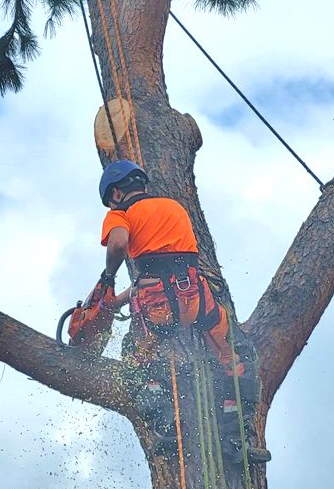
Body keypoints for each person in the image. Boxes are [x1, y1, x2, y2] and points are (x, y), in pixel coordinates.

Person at [97, 160, 271, 464]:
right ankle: (234, 437)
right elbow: (168, 260)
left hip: (156, 305)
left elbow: (119, 244)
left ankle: (167, 430)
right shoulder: (173, 207)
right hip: (194, 297)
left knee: (137, 362)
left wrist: (108, 278)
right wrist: (118, 301)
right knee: (236, 356)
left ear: (114, 193)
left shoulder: (119, 214)